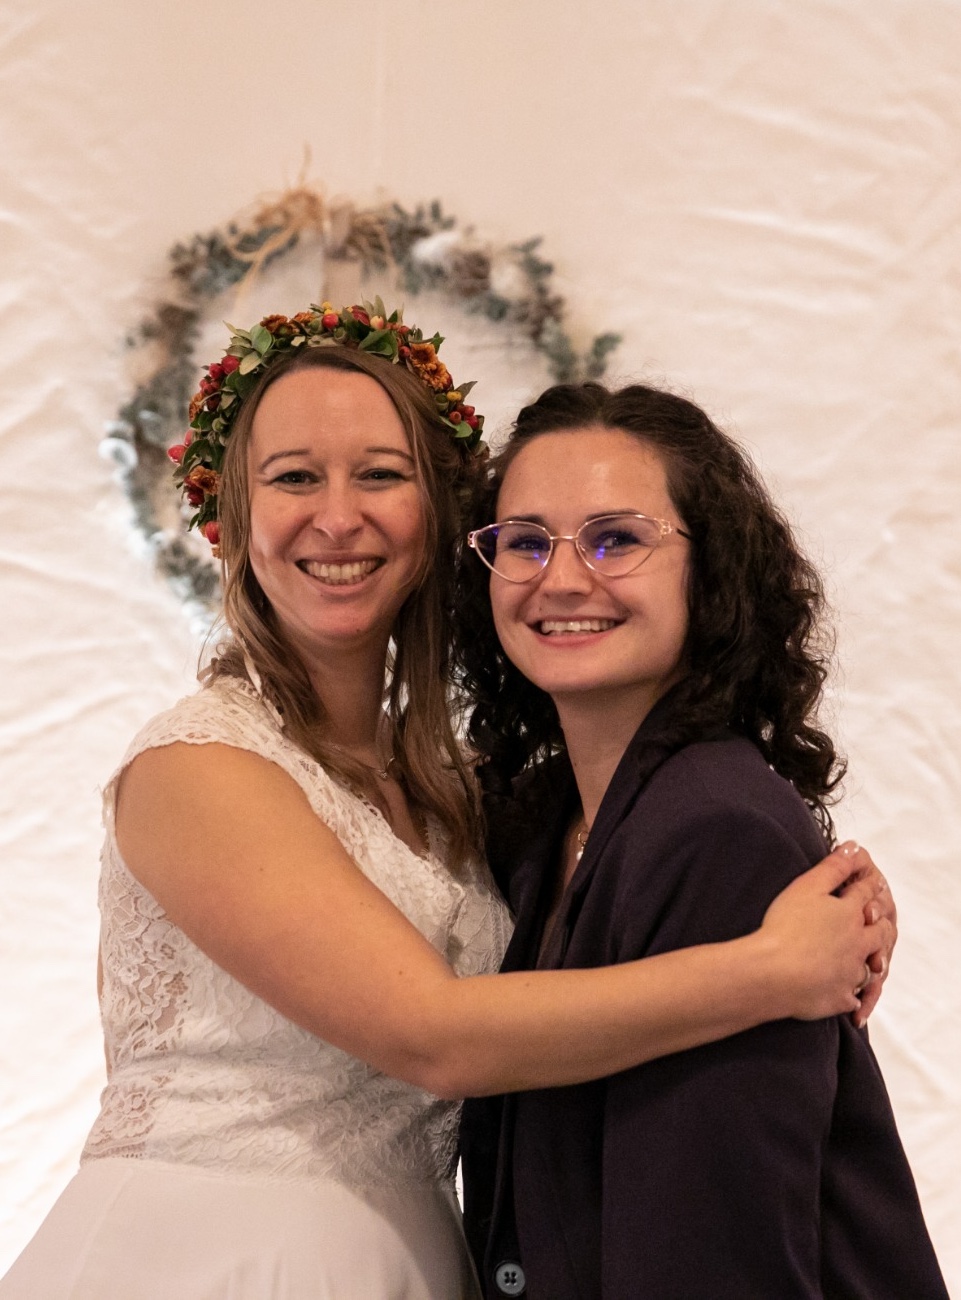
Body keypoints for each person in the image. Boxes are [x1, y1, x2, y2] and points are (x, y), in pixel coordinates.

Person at [0, 307, 893, 1300]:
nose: (337, 517)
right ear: (232, 515)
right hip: (212, 1259)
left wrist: (834, 897)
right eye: (294, 476)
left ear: (438, 512)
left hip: (411, 1261)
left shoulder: (470, 793)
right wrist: (768, 969)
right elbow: (433, 1034)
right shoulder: (196, 768)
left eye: (379, 474)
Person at [456, 380, 947, 1300]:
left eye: (616, 539)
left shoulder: (716, 833)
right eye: (523, 542)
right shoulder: (541, 817)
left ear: (709, 571)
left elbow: (712, 1253)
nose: (561, 579)